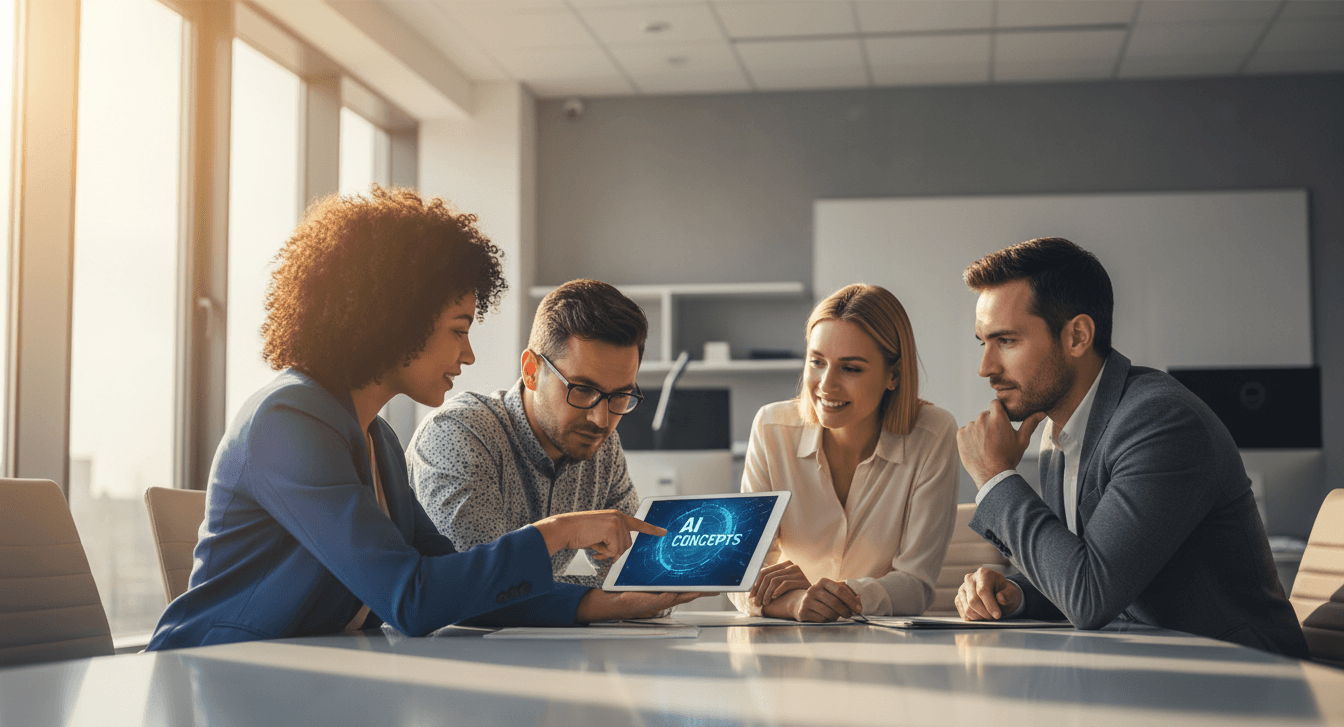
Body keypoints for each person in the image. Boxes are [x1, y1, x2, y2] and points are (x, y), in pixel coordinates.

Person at [147, 188, 667, 650]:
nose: (467, 357)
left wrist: (613, 604)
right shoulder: (286, 421)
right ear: (395, 319)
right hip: (211, 678)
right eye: (458, 329)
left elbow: (454, 588)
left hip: (305, 682)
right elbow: (410, 599)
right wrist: (555, 533)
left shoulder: (379, 441)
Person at [953, 237, 1309, 658]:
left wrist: (995, 477)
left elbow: (1090, 594)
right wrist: (1016, 592)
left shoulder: (1160, 422)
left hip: (1246, 687)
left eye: (1006, 341)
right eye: (984, 343)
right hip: (1151, 674)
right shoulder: (1058, 430)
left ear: (1078, 336)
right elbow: (1088, 568)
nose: (985, 368)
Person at [407, 279, 701, 618]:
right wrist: (609, 602)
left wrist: (646, 590)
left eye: (619, 396)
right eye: (582, 389)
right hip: (427, 654)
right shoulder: (459, 434)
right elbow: (478, 589)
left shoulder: (600, 447)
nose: (600, 418)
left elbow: (635, 579)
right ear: (531, 371)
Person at [731, 284, 960, 622]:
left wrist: (842, 597)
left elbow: (916, 584)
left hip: (882, 649)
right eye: (817, 362)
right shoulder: (771, 427)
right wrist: (796, 604)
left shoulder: (932, 434)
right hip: (786, 646)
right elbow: (740, 572)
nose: (826, 385)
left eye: (850, 368)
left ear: (893, 375)